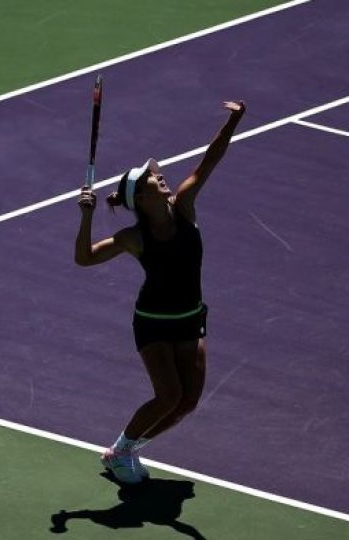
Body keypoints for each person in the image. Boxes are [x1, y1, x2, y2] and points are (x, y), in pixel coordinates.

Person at [74, 101, 246, 484]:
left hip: (190, 318)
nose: (161, 175)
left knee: (187, 402)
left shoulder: (184, 206)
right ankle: (120, 451)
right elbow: (84, 258)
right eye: (153, 178)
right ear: (142, 194)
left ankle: (125, 449)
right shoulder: (134, 238)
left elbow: (210, 160)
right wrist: (86, 217)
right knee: (168, 396)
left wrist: (233, 121)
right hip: (153, 323)